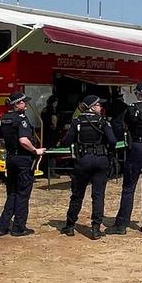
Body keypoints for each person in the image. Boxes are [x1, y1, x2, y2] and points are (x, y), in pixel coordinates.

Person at [59, 95, 118, 240]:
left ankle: (70, 225)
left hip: (83, 161)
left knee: (77, 194)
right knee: (98, 195)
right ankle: (96, 228)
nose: (101, 107)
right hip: (100, 160)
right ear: (92, 107)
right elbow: (112, 141)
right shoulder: (102, 122)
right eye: (98, 105)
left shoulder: (77, 122)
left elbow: (66, 141)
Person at [109, 82, 142, 235]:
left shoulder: (132, 109)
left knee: (129, 186)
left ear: (138, 94)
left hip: (138, 147)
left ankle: (122, 224)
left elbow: (121, 127)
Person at [0, 91, 46, 236]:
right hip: (23, 160)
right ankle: (19, 227)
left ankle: (3, 226)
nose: (27, 106)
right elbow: (24, 140)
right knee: (23, 194)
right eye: (24, 103)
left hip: (10, 159)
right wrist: (35, 150)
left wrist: (10, 147)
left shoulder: (3, 119)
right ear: (17, 104)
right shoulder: (21, 119)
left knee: (12, 193)